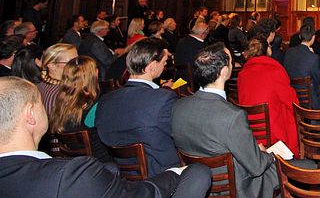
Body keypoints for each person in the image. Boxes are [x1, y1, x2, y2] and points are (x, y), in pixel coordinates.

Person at [0, 76, 211, 198]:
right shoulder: (73, 175)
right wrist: (176, 173)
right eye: (39, 101)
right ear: (30, 114)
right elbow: (144, 193)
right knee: (199, 173)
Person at [172, 42, 280, 198]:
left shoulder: (178, 106)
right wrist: (268, 155)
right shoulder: (233, 115)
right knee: (288, 169)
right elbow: (256, 167)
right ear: (224, 72)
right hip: (238, 188)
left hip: (196, 184)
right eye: (229, 61)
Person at [96, 38, 180, 175]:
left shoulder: (105, 100)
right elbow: (179, 136)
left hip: (119, 173)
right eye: (164, 62)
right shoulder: (163, 99)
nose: (165, 66)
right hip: (159, 174)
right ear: (152, 66)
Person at [238, 37, 300, 155]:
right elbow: (291, 102)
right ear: (268, 51)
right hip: (273, 131)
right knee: (289, 110)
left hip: (250, 129)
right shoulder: (275, 70)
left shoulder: (242, 74)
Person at [49, 56, 110, 161]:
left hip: (77, 163)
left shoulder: (61, 107)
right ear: (95, 74)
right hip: (101, 164)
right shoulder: (98, 106)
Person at [283, 24, 320, 109]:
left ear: (300, 36)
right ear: (313, 37)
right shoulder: (313, 57)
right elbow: (318, 80)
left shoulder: (288, 52)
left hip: (292, 94)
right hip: (310, 99)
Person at [37, 43, 77, 115]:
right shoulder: (60, 94)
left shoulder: (40, 85)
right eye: (72, 62)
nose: (78, 65)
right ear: (52, 66)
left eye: (78, 60)